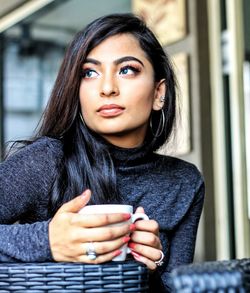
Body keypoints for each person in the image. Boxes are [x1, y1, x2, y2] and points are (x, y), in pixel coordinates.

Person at [0, 13, 204, 292]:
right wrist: (48, 240)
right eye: (89, 73)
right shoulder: (47, 160)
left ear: (159, 93)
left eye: (126, 70)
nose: (107, 88)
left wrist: (156, 262)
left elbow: (178, 287)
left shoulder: (183, 182)